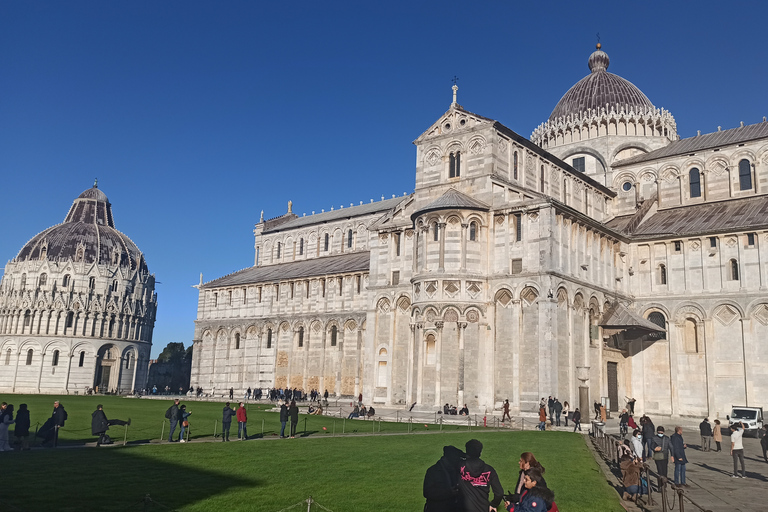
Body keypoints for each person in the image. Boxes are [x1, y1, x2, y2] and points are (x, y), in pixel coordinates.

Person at [458, 439, 502, 512]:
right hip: (483, 508)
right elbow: (499, 493)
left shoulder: (460, 467)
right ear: (480, 452)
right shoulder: (489, 470)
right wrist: (494, 504)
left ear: (467, 451)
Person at [423, 445, 465, 512]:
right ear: (451, 459)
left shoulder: (457, 470)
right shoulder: (433, 471)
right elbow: (427, 492)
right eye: (458, 460)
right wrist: (449, 492)